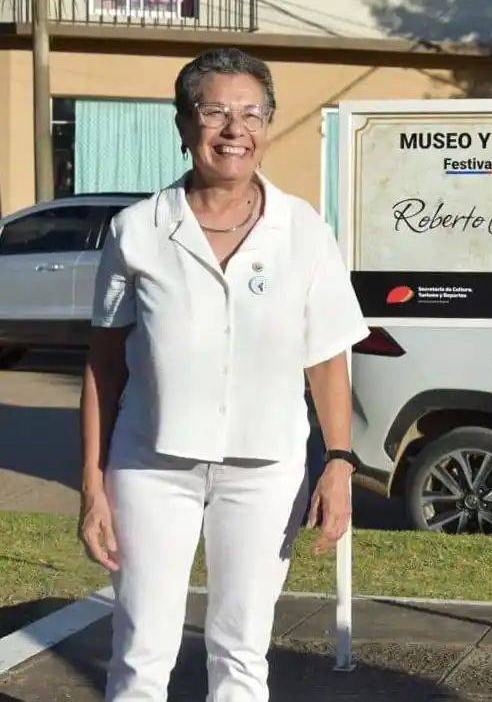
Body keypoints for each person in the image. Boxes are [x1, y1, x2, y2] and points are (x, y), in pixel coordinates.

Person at [77, 47, 371, 702]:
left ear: (267, 126)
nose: (235, 129)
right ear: (184, 125)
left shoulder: (302, 229)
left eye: (252, 113)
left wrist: (338, 463)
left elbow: (326, 357)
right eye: (215, 112)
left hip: (265, 472)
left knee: (241, 652)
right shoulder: (137, 230)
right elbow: (103, 366)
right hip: (150, 466)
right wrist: (92, 486)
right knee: (141, 651)